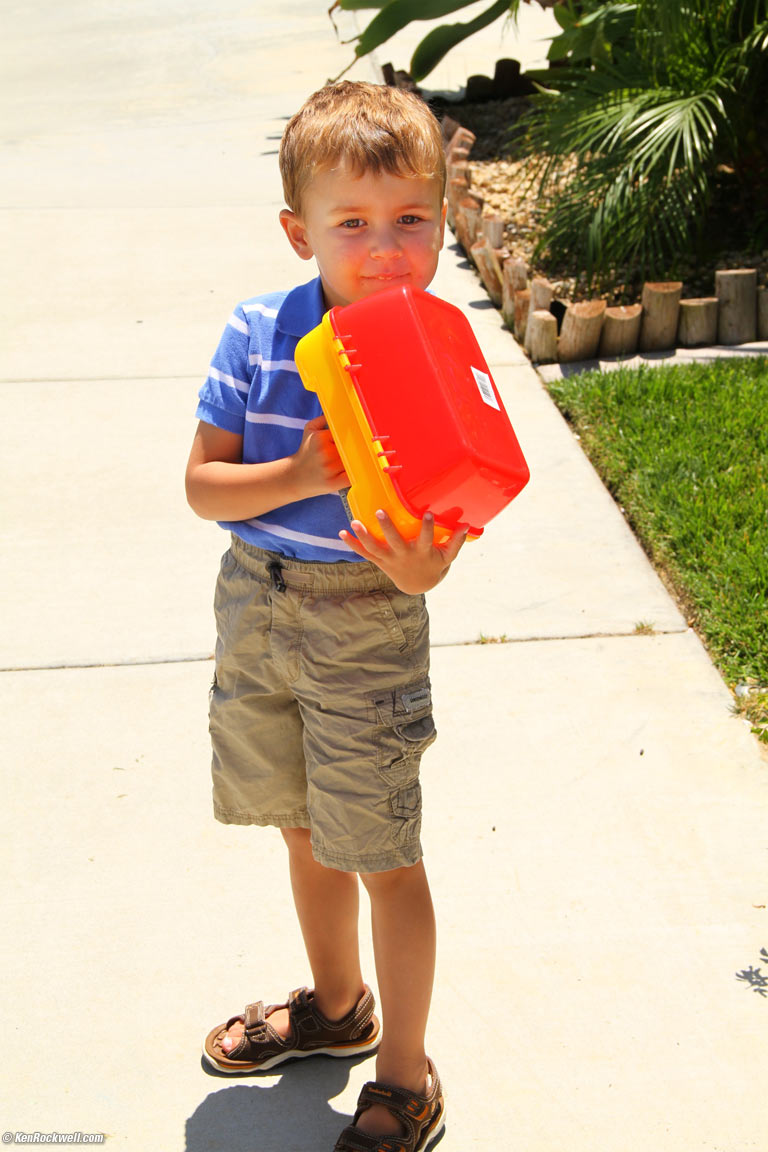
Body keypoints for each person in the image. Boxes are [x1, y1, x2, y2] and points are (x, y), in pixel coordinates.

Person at [186, 80, 466, 1152]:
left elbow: (435, 555)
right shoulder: (259, 333)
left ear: (441, 218)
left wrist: (417, 563)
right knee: (302, 825)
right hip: (256, 601)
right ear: (301, 231)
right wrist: (296, 469)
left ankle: (405, 1075)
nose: (387, 247)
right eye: (353, 223)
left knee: (383, 851)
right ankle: (340, 1009)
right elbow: (204, 487)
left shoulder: (436, 354)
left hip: (366, 619)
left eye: (413, 220)